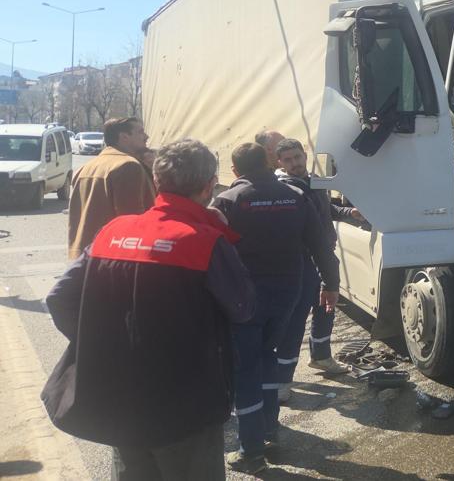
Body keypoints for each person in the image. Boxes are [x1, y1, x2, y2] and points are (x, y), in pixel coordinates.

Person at [43, 139, 255, 481]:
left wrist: (102, 345)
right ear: (209, 187)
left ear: (156, 182)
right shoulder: (205, 241)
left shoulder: (112, 231)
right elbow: (243, 307)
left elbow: (59, 298)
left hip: (121, 396)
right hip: (185, 401)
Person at [212, 143, 342, 472]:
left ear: (236, 170)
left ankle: (251, 449)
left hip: (244, 299)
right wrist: (331, 284)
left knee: (246, 368)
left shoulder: (228, 201)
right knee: (268, 354)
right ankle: (270, 428)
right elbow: (321, 244)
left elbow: (211, 253)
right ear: (271, 163)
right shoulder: (295, 197)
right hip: (288, 292)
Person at [275, 138, 370, 396]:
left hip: (324, 255)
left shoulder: (315, 181)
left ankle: (321, 356)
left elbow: (325, 209)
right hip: (303, 261)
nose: (295, 163)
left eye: (297, 157)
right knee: (295, 322)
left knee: (326, 307)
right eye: (288, 160)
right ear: (280, 163)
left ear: (304, 155)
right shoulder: (285, 189)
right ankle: (282, 381)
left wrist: (350, 213)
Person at [68, 117, 156, 259]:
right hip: (112, 258)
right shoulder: (128, 166)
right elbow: (133, 223)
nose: (146, 136)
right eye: (140, 132)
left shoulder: (87, 167)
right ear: (124, 137)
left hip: (84, 257)